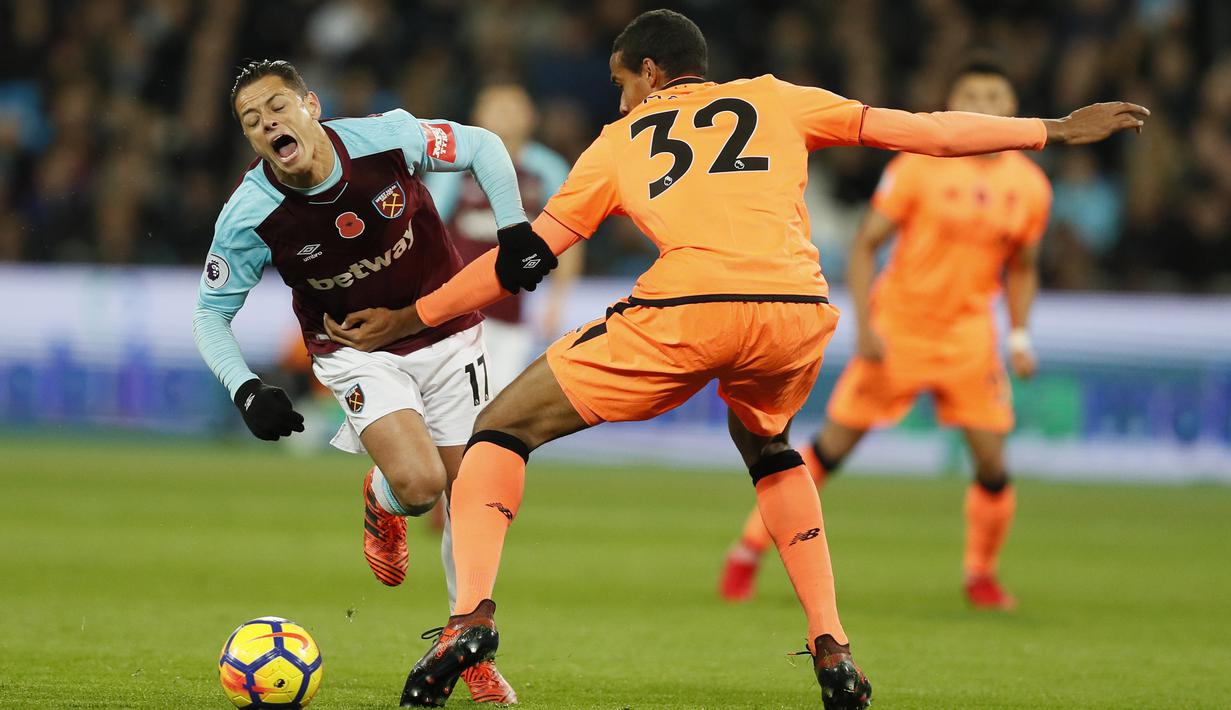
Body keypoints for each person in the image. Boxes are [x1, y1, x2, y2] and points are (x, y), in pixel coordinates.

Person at [319, 10, 1147, 708]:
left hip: (688, 309)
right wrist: (1050, 129)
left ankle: (470, 619)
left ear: (647, 73)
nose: (618, 96)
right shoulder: (777, 101)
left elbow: (521, 260)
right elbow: (916, 131)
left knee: (499, 431)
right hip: (796, 314)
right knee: (769, 446)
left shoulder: (617, 143)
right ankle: (831, 646)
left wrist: (409, 316)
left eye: (619, 81)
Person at [191, 59, 533, 704]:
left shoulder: (387, 138)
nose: (268, 123)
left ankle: (465, 645)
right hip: (355, 352)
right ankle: (385, 497)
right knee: (422, 484)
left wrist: (514, 230)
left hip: (449, 329)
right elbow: (210, 315)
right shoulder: (250, 214)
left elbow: (482, 145)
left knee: (469, 498)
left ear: (311, 106)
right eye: (251, 120)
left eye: (277, 107)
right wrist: (245, 388)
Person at [720, 61, 1052, 611]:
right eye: (972, 93)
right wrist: (867, 325)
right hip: (900, 331)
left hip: (969, 339)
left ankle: (981, 575)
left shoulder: (1030, 185)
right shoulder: (920, 166)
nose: (984, 103)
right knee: (829, 449)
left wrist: (1019, 335)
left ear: (1012, 106)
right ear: (953, 102)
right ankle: (747, 551)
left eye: (995, 93)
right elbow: (865, 244)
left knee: (992, 464)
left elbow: (1023, 266)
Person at [425, 83, 582, 393]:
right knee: (450, 402)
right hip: (458, 308)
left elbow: (571, 235)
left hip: (513, 310)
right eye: (496, 107)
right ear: (477, 115)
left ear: (531, 117)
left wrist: (557, 300)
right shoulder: (454, 166)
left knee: (498, 403)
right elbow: (428, 228)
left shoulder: (548, 168)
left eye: (513, 108)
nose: (505, 115)